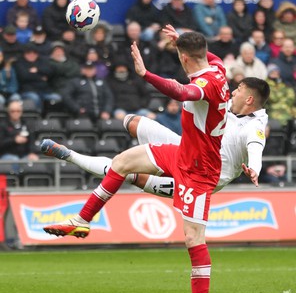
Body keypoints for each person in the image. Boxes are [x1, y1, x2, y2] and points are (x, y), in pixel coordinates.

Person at [42, 25, 230, 293]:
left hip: (200, 170)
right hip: (183, 152)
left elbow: (183, 92)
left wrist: (145, 74)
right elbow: (203, 54)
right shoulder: (218, 68)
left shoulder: (206, 83)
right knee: (123, 162)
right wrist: (181, 39)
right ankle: (82, 219)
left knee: (193, 239)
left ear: (183, 59)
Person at [41, 76, 269, 205]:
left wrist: (254, 169)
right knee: (132, 121)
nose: (233, 92)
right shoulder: (228, 106)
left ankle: (70, 155)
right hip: (189, 150)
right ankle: (136, 155)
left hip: (202, 177)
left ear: (249, 99)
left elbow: (255, 147)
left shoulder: (254, 126)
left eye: (238, 90)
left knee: (130, 174)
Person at [14, 42, 61, 112]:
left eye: (34, 53)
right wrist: (41, 77)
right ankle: (38, 116)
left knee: (57, 98)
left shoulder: (42, 61)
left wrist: (37, 70)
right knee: (34, 98)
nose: (32, 55)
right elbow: (24, 76)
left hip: (44, 90)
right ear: (24, 54)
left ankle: (50, 119)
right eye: (29, 53)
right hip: (27, 90)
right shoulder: (19, 63)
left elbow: (50, 71)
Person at [0, 100, 39, 164]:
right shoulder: (2, 125)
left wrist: (32, 153)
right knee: (14, 159)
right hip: (6, 154)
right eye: (13, 111)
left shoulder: (26, 124)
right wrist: (14, 140)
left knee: (34, 159)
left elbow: (31, 141)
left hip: (24, 155)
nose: (15, 113)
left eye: (18, 111)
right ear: (8, 112)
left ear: (21, 112)